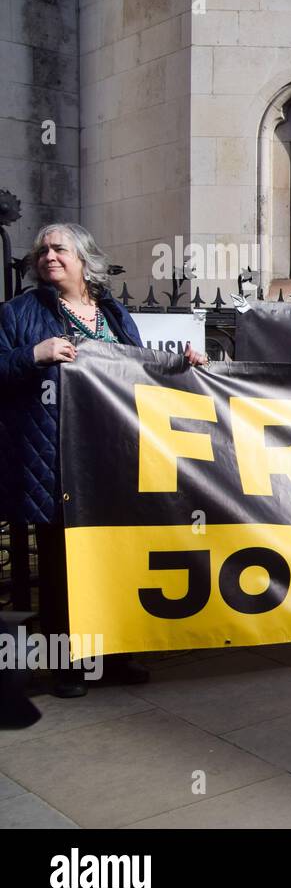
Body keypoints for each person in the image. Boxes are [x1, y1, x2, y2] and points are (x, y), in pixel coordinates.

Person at [0, 223, 207, 697]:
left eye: (60, 249)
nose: (49, 256)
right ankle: (67, 667)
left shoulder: (110, 313)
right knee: (61, 567)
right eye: (43, 251)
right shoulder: (19, 313)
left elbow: (137, 366)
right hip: (52, 460)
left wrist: (182, 363)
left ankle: (114, 657)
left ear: (85, 259)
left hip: (109, 458)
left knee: (112, 560)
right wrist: (34, 354)